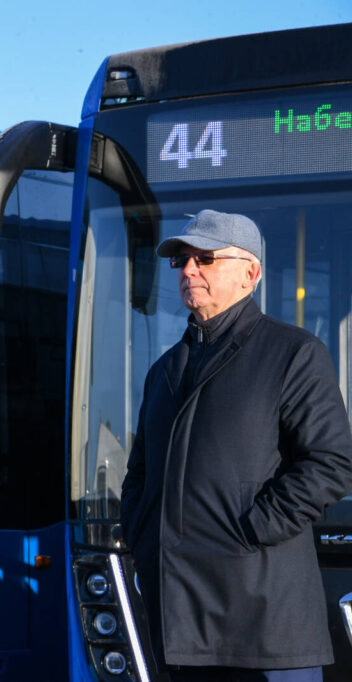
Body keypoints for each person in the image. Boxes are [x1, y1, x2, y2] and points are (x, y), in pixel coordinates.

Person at [120, 210, 352, 682]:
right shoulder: (163, 372)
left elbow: (331, 461)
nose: (189, 270)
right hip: (180, 630)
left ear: (251, 273)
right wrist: (142, 536)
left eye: (205, 258)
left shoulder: (293, 353)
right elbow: (140, 472)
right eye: (182, 260)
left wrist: (252, 529)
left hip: (265, 631)